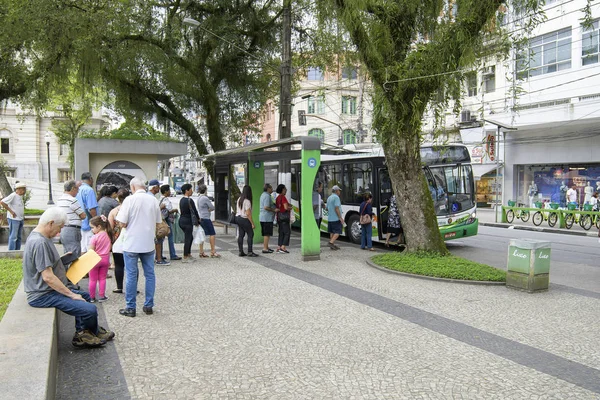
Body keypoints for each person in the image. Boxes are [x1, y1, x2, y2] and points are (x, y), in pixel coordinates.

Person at [23, 207, 114, 348]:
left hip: (46, 290)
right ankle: (85, 335)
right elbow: (48, 277)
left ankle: (85, 331)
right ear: (51, 223)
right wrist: (71, 294)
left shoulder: (40, 237)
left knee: (84, 295)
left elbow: (44, 264)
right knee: (89, 309)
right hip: (43, 294)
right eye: (59, 228)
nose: (59, 232)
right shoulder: (40, 242)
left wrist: (62, 260)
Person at [116, 177, 162, 318]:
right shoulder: (153, 200)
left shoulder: (129, 200)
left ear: (133, 187)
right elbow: (158, 222)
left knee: (131, 274)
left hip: (131, 243)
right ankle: (148, 305)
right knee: (150, 274)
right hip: (148, 242)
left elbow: (122, 223)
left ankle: (131, 307)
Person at [57, 180, 86, 269]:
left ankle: (67, 278)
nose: (77, 192)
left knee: (67, 254)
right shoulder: (72, 200)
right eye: (77, 189)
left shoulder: (60, 199)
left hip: (64, 229)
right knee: (74, 255)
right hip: (72, 229)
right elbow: (83, 215)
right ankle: (72, 280)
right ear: (73, 188)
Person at [108, 188, 130, 294]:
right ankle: (132, 287)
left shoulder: (114, 211)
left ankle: (119, 287)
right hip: (131, 240)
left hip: (117, 241)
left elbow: (110, 228)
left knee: (118, 265)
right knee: (132, 266)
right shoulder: (131, 210)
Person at [87, 216, 112, 303]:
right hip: (105, 259)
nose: (92, 230)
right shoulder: (108, 236)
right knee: (102, 278)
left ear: (99, 227)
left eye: (92, 227)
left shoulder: (94, 237)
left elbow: (91, 250)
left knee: (93, 279)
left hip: (95, 259)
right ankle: (102, 296)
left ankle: (92, 297)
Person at [76, 172, 98, 253]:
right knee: (91, 249)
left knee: (83, 249)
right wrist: (96, 223)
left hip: (80, 223)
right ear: (90, 179)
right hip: (89, 224)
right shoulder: (89, 190)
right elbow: (92, 209)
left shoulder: (78, 189)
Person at [197, 184, 221, 258]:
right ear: (205, 190)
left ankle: (201, 252)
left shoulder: (199, 198)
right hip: (206, 218)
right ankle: (213, 251)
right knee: (212, 234)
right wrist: (209, 210)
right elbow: (212, 207)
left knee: (202, 234)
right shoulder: (205, 198)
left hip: (201, 217)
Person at [178, 183, 200, 262]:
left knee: (190, 237)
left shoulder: (182, 200)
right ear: (187, 191)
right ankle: (185, 256)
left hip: (182, 220)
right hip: (187, 221)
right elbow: (194, 211)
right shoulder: (189, 200)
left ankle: (188, 253)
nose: (192, 191)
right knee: (188, 238)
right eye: (191, 189)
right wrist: (198, 220)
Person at [159, 185, 181, 262]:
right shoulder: (165, 200)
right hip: (167, 220)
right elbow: (169, 210)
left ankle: (160, 255)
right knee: (170, 237)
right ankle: (172, 254)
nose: (170, 192)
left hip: (162, 220)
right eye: (168, 190)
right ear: (165, 191)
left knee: (161, 238)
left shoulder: (160, 199)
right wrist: (175, 210)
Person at [1, 182, 26, 250]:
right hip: (14, 219)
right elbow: (2, 202)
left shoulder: (20, 197)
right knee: (13, 236)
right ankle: (11, 251)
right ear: (18, 189)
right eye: (22, 189)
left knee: (19, 236)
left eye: (24, 189)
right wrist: (11, 211)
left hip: (20, 219)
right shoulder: (13, 195)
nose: (23, 191)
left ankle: (17, 250)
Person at [236, 185, 257, 257]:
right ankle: (250, 251)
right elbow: (248, 214)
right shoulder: (247, 201)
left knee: (241, 235)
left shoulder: (239, 199)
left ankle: (240, 251)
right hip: (244, 219)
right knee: (250, 234)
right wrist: (252, 223)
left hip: (238, 218)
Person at [259, 183, 278, 253]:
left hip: (263, 217)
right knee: (267, 234)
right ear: (268, 189)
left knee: (266, 233)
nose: (272, 189)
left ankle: (266, 247)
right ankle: (265, 248)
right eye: (271, 188)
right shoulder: (267, 196)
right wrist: (274, 210)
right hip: (267, 218)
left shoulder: (263, 195)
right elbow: (266, 207)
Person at [275, 184, 292, 254]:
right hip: (284, 217)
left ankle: (279, 246)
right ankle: (283, 247)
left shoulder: (278, 197)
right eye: (285, 189)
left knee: (281, 232)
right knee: (287, 232)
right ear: (282, 190)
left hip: (279, 217)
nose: (286, 190)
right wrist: (290, 208)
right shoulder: (283, 197)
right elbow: (285, 207)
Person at [326, 185, 344, 250]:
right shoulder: (336, 198)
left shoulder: (329, 198)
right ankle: (331, 242)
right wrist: (340, 217)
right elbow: (337, 208)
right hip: (335, 218)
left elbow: (327, 208)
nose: (339, 192)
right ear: (336, 191)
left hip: (330, 218)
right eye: (339, 190)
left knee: (332, 232)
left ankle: (332, 245)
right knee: (338, 231)